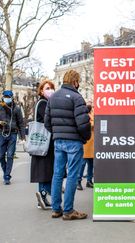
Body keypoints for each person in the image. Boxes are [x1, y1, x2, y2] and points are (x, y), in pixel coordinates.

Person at [44, 70, 91, 220]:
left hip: (58, 141)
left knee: (57, 174)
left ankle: (56, 208)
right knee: (72, 175)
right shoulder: (77, 98)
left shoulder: (53, 97)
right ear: (75, 82)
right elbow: (83, 124)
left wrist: (57, 133)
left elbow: (47, 122)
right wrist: (85, 138)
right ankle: (68, 210)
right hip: (74, 142)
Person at [30, 80, 56, 210]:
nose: (50, 90)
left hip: (44, 142)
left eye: (52, 88)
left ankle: (43, 196)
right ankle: (44, 194)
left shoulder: (45, 102)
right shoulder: (43, 103)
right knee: (44, 169)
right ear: (41, 91)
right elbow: (49, 120)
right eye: (47, 88)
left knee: (44, 170)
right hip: (45, 142)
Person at [0, 90, 25, 185]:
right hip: (2, 134)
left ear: (12, 97)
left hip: (13, 134)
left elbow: (21, 124)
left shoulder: (17, 109)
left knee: (10, 155)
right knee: (1, 156)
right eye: (5, 96)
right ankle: (6, 171)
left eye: (9, 97)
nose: (7, 98)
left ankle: (7, 176)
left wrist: (22, 137)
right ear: (3, 97)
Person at [77, 102, 94, 190]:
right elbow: (90, 125)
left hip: (92, 144)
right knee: (82, 163)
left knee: (91, 163)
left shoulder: (92, 114)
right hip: (86, 143)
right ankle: (78, 181)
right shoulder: (84, 116)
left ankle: (89, 181)